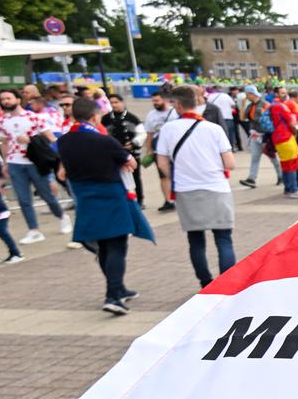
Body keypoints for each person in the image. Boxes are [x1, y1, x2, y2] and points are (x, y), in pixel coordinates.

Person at [56, 97, 152, 315]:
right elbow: (131, 162)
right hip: (111, 195)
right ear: (94, 116)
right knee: (117, 245)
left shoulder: (64, 141)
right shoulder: (105, 141)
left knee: (103, 247)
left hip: (84, 197)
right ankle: (112, 296)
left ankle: (118, 288)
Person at [155, 86, 237, 287]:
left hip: (186, 189)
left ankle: (205, 282)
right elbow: (230, 163)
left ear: (178, 105)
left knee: (196, 241)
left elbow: (162, 163)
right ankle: (227, 285)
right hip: (216, 188)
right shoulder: (213, 129)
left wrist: (178, 175)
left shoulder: (167, 129)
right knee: (224, 239)